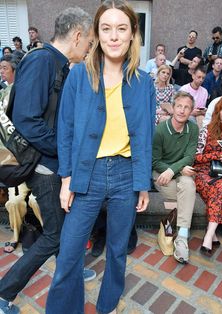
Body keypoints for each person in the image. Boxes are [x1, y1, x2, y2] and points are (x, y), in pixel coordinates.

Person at [46, 1, 155, 313]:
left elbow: (146, 134)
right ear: (96, 34)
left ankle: (107, 305)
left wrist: (142, 182)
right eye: (106, 29)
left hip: (125, 176)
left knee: (118, 251)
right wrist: (66, 178)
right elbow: (65, 129)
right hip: (86, 175)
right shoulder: (79, 76)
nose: (114, 36)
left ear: (133, 34)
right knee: (68, 254)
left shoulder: (143, 82)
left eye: (122, 28)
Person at [0, 7, 95, 314]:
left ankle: (70, 271)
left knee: (65, 228)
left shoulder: (59, 64)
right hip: (44, 166)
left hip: (52, 163)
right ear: (78, 35)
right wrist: (65, 151)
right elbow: (27, 120)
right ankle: (4, 294)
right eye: (90, 41)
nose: (91, 47)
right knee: (55, 234)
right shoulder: (43, 60)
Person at [153, 91, 199, 264]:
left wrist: (173, 171)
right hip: (161, 173)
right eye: (179, 106)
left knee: (188, 184)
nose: (182, 110)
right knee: (188, 194)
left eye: (187, 107)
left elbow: (189, 157)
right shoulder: (160, 130)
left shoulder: (193, 128)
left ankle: (182, 237)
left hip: (176, 173)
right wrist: (173, 171)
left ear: (191, 111)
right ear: (172, 108)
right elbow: (155, 161)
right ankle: (171, 226)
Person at [194, 95, 222, 257]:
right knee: (218, 187)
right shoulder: (207, 130)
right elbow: (195, 158)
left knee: (221, 185)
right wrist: (215, 156)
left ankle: (208, 236)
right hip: (205, 171)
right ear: (217, 112)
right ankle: (211, 233)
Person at [4, 183, 43, 253]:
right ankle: (15, 235)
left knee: (35, 201)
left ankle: (49, 232)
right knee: (14, 202)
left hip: (40, 176)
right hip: (19, 178)